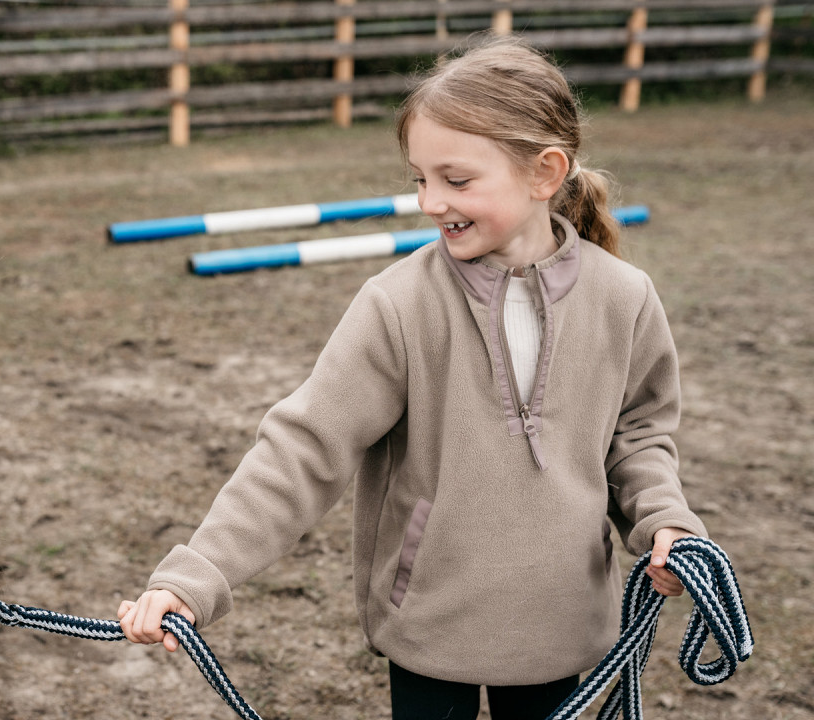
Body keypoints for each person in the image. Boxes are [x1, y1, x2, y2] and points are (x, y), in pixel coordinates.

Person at [117, 37, 709, 720]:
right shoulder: (397, 304)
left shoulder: (624, 298)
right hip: (428, 626)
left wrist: (664, 523)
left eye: (455, 180)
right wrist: (196, 575)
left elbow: (636, 443)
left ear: (545, 173)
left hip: (562, 624)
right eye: (419, 179)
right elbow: (302, 450)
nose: (430, 201)